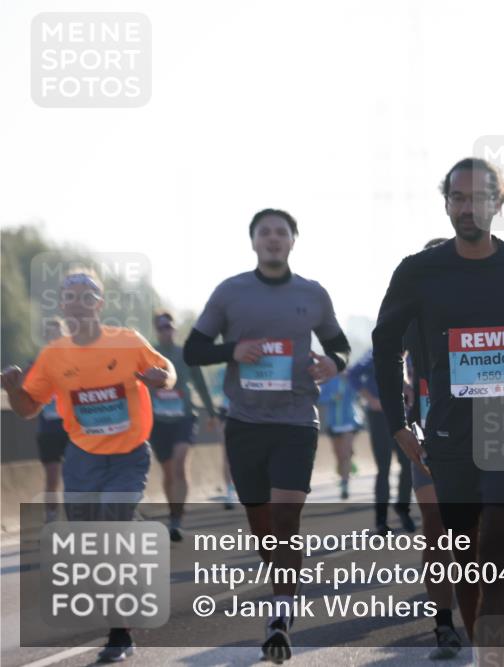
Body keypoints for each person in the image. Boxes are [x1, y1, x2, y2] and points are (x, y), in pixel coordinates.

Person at [372, 157, 504, 665]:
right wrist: (398, 425)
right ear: (447, 203)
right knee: (467, 563)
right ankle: (480, 654)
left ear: (500, 201)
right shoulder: (418, 271)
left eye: (479, 198)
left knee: (493, 558)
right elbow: (384, 347)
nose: (468, 208)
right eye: (458, 198)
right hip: (448, 429)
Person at [183, 209, 350, 663]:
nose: (274, 239)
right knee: (262, 526)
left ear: (293, 241)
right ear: (253, 242)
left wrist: (334, 363)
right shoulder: (231, 292)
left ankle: (280, 615)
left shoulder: (312, 295)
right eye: (265, 233)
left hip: (297, 419)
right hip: (246, 423)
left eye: (282, 232)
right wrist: (232, 350)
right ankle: (282, 581)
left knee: (286, 517)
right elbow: (192, 350)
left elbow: (339, 345)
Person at [2, 270, 176, 662]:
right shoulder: (53, 356)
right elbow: (29, 409)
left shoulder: (128, 341)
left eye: (87, 295)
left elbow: (167, 370)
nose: (78, 301)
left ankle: (120, 634)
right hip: (82, 457)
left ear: (99, 303)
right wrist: (14, 390)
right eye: (70, 295)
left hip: (129, 453)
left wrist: (160, 378)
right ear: (62, 305)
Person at [399, 236, 463, 660]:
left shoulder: (481, 308)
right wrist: (403, 385)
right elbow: (391, 354)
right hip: (427, 431)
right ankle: (444, 622)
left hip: (482, 432)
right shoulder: (410, 312)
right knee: (436, 525)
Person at [150, 311, 217, 541]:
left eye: (169, 326)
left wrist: (211, 412)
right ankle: (173, 511)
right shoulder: (148, 355)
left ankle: (177, 519)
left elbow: (200, 383)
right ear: (156, 331)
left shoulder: (185, 354)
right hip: (158, 422)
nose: (165, 331)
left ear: (175, 329)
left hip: (184, 418)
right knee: (168, 471)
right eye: (161, 328)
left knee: (179, 464)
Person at [349, 349, 415, 534]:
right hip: (380, 416)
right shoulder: (373, 354)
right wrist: (370, 399)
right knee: (383, 467)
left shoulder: (413, 352)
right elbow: (353, 374)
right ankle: (381, 520)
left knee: (408, 464)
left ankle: (403, 509)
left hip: (405, 415)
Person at [32, 318, 71, 524]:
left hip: (71, 429)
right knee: (52, 478)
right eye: (49, 334)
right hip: (48, 429)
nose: (53, 337)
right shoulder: (38, 362)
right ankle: (52, 517)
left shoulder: (72, 361)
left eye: (57, 333)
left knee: (76, 476)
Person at [318, 373, 362, 500]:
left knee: (345, 453)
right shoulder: (328, 380)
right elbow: (320, 398)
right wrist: (332, 397)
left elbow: (358, 395)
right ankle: (346, 467)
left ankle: (345, 485)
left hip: (350, 422)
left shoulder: (351, 378)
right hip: (333, 423)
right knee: (338, 455)